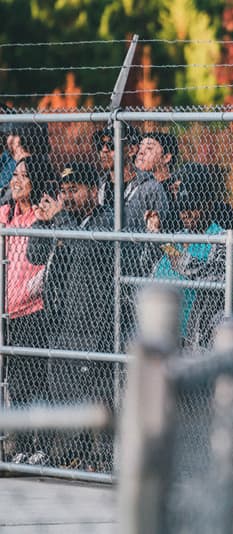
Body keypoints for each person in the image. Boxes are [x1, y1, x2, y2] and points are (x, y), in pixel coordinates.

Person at [26, 162, 115, 468]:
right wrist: (41, 222)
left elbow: (86, 250)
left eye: (74, 190)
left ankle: (100, 457)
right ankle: (70, 455)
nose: (69, 197)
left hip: (95, 324)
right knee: (62, 390)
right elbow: (34, 255)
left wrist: (61, 218)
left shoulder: (106, 220)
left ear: (94, 190)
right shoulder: (65, 221)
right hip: (63, 321)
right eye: (64, 192)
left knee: (95, 394)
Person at [142, 162, 233, 350]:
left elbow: (225, 276)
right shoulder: (178, 236)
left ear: (208, 204)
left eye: (192, 207)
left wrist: (175, 255)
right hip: (168, 336)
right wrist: (153, 237)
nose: (186, 213)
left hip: (200, 338)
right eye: (182, 208)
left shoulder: (221, 239)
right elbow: (150, 268)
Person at [2, 155, 53, 465]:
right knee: (15, 383)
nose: (15, 181)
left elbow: (45, 266)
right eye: (14, 175)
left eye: (23, 177)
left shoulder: (39, 217)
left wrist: (24, 292)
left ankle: (42, 447)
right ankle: (20, 446)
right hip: (7, 314)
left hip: (33, 310)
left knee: (37, 382)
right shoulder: (5, 216)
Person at [136, 131, 180, 232]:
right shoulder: (135, 185)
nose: (141, 152)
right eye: (140, 147)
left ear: (166, 157)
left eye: (149, 148)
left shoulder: (174, 190)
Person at [92, 123, 142, 207]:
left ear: (131, 150)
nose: (104, 150)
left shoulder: (147, 187)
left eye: (111, 145)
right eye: (100, 145)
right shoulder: (98, 186)